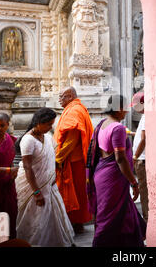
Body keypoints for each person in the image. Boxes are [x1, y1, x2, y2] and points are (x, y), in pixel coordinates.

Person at [87, 94, 146, 247]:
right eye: (125, 109)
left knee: (115, 212)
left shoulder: (102, 124)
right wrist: (134, 182)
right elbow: (120, 158)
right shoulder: (118, 128)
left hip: (101, 174)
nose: (127, 112)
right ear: (119, 109)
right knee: (109, 218)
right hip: (113, 177)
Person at [14, 108, 75, 247]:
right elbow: (28, 168)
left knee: (54, 217)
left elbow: (50, 157)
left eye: (51, 124)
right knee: (37, 220)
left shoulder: (47, 137)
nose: (50, 127)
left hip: (50, 185)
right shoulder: (28, 140)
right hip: (34, 187)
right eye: (48, 124)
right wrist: (36, 192)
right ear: (38, 122)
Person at [53, 87, 93, 234]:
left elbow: (72, 139)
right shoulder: (75, 108)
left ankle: (75, 223)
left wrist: (58, 158)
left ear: (69, 96)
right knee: (78, 192)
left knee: (74, 192)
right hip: (76, 160)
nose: (59, 99)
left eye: (61, 96)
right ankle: (77, 223)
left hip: (73, 161)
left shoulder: (74, 110)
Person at [130, 92, 149, 221]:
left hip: (142, 159)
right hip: (141, 158)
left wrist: (135, 156)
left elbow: (144, 139)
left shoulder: (147, 116)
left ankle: (147, 219)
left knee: (144, 191)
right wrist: (131, 133)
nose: (133, 108)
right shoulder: (144, 116)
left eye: (135, 105)